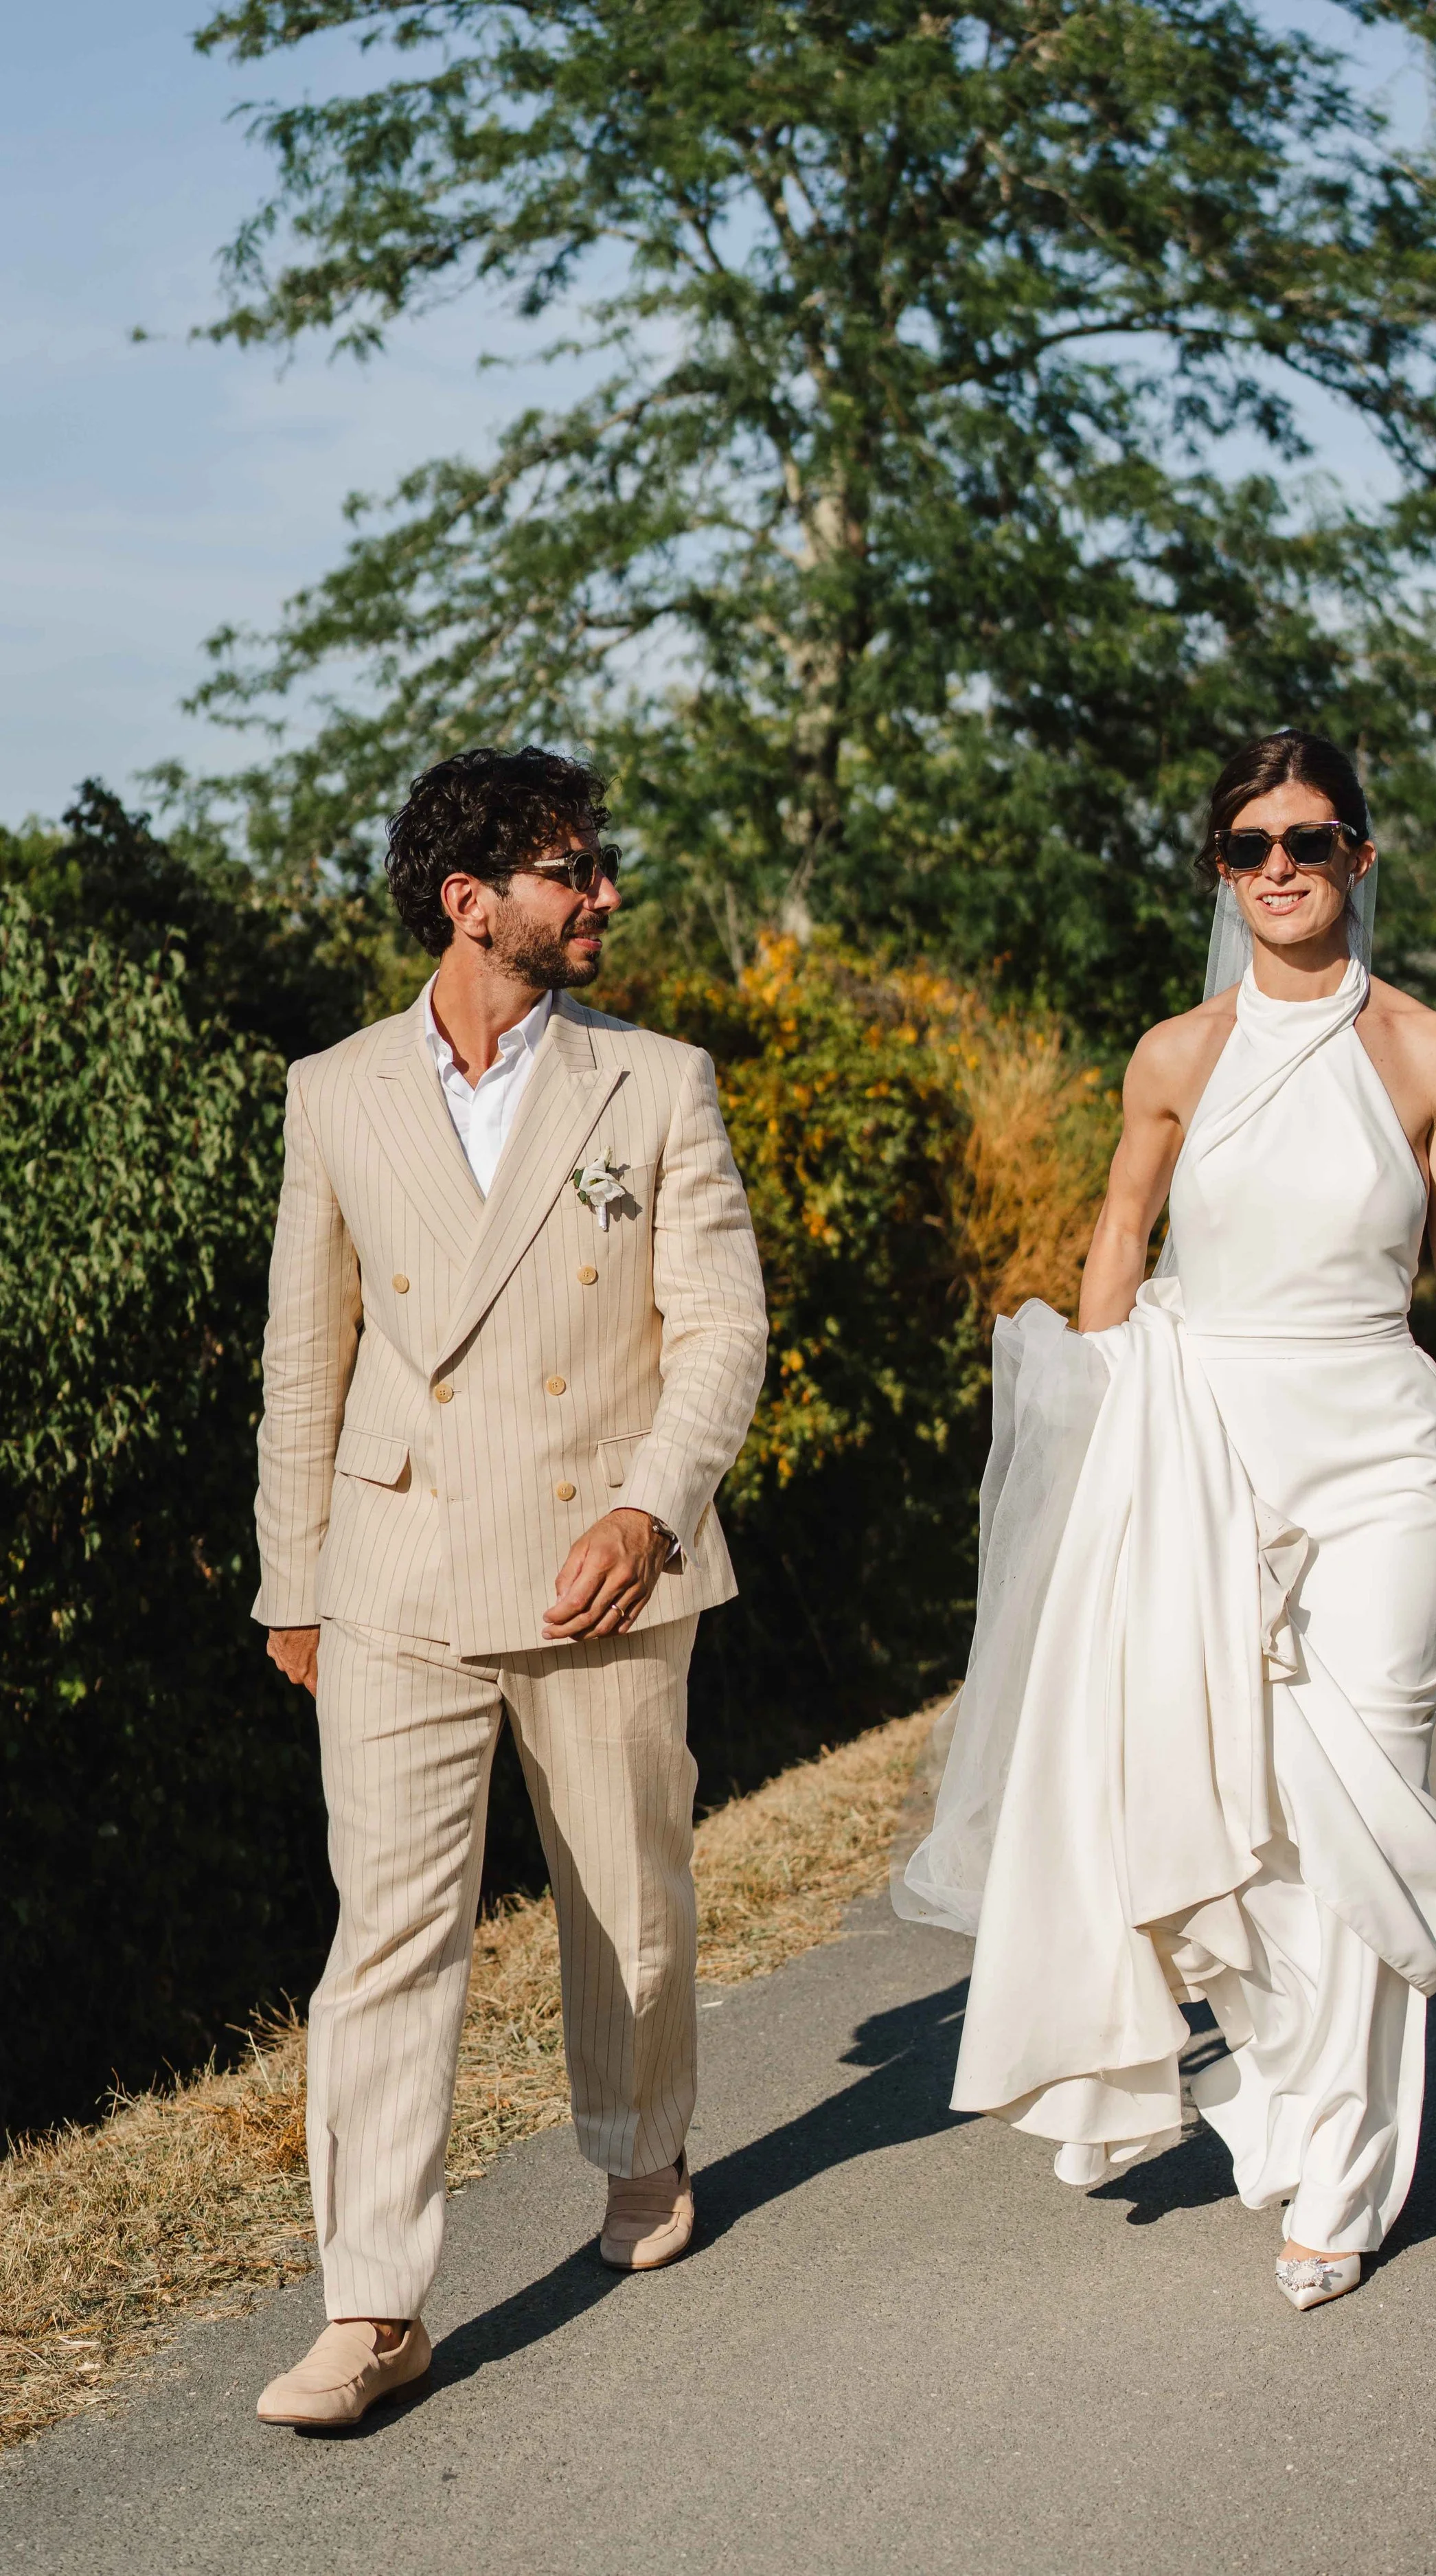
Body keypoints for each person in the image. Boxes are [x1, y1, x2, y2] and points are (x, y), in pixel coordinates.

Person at [898, 729, 1436, 2309]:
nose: (1277, 867)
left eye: (1306, 839)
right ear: (1221, 873)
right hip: (1199, 1448)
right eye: (1246, 846)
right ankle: (1286, 2092)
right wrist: (1087, 1446)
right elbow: (1118, 1234)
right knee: (1252, 1807)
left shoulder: (1433, 1051)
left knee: (1366, 1795)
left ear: (1358, 855)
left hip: (1381, 1462)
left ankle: (1340, 2183)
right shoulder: (1173, 1055)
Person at [251, 745, 768, 2424]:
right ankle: (372, 2304)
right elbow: (305, 1355)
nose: (604, 892)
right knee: (387, 1937)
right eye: (571, 869)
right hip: (393, 1566)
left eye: (597, 863)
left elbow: (722, 1332)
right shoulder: (335, 1090)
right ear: (471, 902)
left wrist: (646, 1513)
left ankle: (639, 2151)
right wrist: (292, 1586)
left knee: (627, 1898)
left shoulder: (656, 1082)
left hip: (593, 1559)